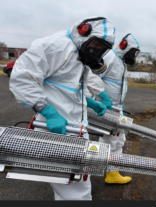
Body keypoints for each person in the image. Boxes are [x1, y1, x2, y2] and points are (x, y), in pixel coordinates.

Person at [9, 17, 115, 200]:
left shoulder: (78, 52)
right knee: (73, 188)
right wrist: (49, 113)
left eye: (102, 48)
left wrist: (88, 101)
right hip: (58, 129)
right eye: (96, 44)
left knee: (76, 182)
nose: (96, 50)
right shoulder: (56, 46)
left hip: (74, 127)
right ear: (83, 30)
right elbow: (22, 79)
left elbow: (69, 85)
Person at [96, 33, 140, 184]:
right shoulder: (110, 58)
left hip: (114, 107)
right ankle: (112, 173)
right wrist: (99, 99)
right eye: (133, 52)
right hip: (106, 107)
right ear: (124, 47)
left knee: (109, 138)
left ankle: (104, 168)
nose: (134, 56)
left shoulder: (120, 62)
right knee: (115, 139)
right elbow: (92, 78)